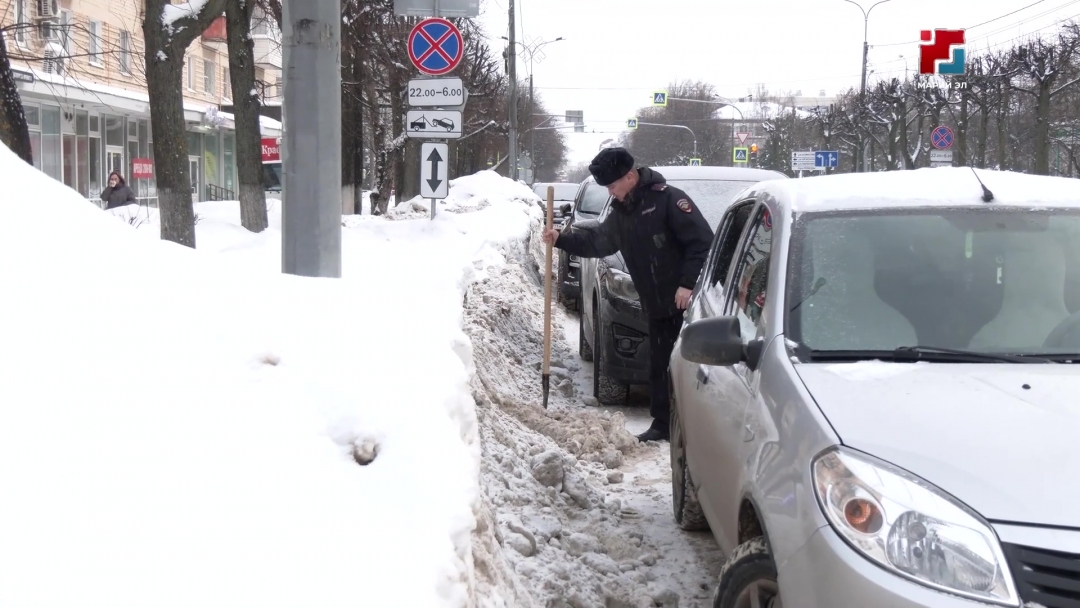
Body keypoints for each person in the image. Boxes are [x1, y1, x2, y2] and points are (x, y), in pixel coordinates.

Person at [541, 148, 713, 442]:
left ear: (630, 177)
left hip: (688, 303)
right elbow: (599, 241)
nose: (611, 192)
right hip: (655, 302)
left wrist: (687, 284)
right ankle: (663, 424)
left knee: (694, 368)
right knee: (659, 366)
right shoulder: (623, 212)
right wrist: (562, 238)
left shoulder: (668, 200)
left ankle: (700, 427)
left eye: (612, 185)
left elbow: (702, 243)